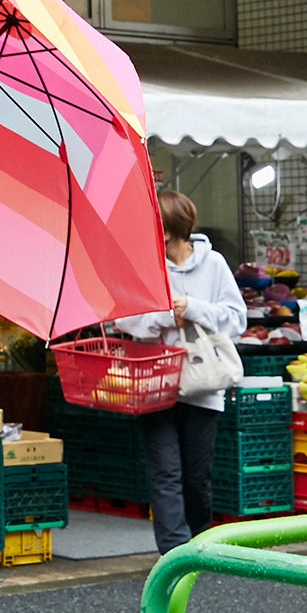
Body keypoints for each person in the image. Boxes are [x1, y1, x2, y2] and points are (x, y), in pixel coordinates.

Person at [116, 188, 247, 553]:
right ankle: (174, 554)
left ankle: (199, 544)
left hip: (203, 383)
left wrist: (191, 307)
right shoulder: (144, 265)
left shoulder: (214, 263)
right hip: (154, 379)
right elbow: (125, 319)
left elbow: (236, 320)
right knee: (164, 471)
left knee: (195, 475)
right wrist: (162, 315)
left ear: (171, 228)